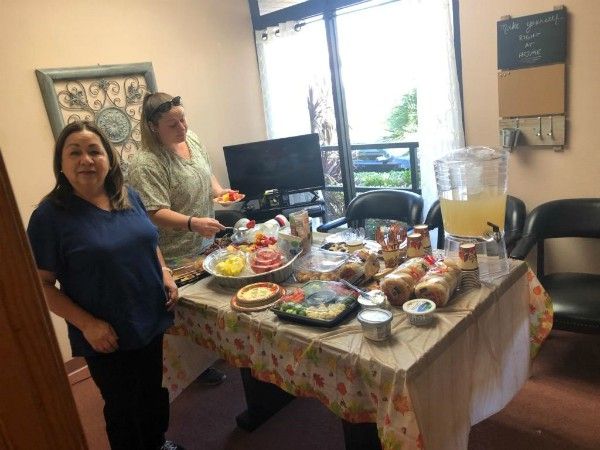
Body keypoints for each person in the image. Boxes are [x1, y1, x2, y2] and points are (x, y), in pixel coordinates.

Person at [27, 121, 184, 450]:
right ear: (61, 163)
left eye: (94, 151)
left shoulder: (129, 197)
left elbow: (148, 240)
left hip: (148, 317)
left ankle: (157, 443)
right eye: (75, 152)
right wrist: (87, 324)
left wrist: (165, 271)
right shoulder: (49, 218)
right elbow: (40, 285)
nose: (86, 159)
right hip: (105, 332)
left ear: (108, 159)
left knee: (152, 393)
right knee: (124, 408)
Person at [127, 92, 231, 385]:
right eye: (173, 125)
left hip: (205, 241)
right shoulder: (146, 164)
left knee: (212, 302)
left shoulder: (191, 139)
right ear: (153, 128)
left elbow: (206, 174)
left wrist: (220, 192)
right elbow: (152, 211)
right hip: (172, 251)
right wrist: (191, 222)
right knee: (186, 315)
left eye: (182, 119)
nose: (182, 127)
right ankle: (193, 368)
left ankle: (215, 352)